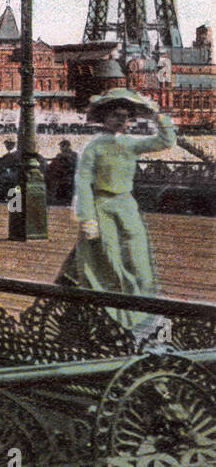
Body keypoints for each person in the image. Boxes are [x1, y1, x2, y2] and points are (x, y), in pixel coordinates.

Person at [58, 90, 175, 332]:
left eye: (126, 116)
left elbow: (166, 142)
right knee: (109, 260)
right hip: (102, 208)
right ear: (104, 118)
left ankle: (141, 315)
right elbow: (83, 183)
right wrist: (87, 218)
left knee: (138, 259)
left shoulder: (132, 144)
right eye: (115, 115)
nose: (121, 120)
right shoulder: (93, 147)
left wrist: (157, 117)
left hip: (127, 207)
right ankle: (113, 318)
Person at [48, 139, 78, 206]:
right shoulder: (59, 155)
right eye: (61, 146)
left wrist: (64, 157)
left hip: (69, 182)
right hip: (60, 183)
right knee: (60, 201)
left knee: (67, 202)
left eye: (62, 146)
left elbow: (74, 165)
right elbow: (53, 166)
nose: (60, 148)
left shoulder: (74, 155)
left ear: (67, 146)